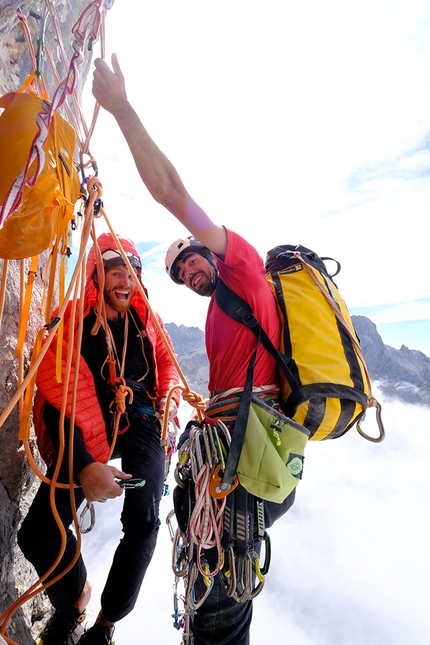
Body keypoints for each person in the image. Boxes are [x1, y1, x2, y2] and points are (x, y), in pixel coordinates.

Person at [92, 55, 296, 645]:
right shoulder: (217, 310)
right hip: (233, 442)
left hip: (246, 445)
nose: (190, 273)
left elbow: (170, 192)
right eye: (181, 273)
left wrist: (122, 109)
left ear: (213, 252)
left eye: (192, 261)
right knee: (201, 553)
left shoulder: (243, 268)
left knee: (219, 594)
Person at [18, 232, 181, 645]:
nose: (126, 282)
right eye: (115, 272)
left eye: (132, 273)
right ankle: (76, 598)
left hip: (142, 422)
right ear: (95, 275)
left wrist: (172, 399)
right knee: (38, 533)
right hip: (86, 428)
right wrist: (84, 465)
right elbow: (56, 400)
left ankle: (106, 623)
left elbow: (167, 364)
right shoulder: (70, 322)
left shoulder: (146, 322)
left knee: (142, 522)